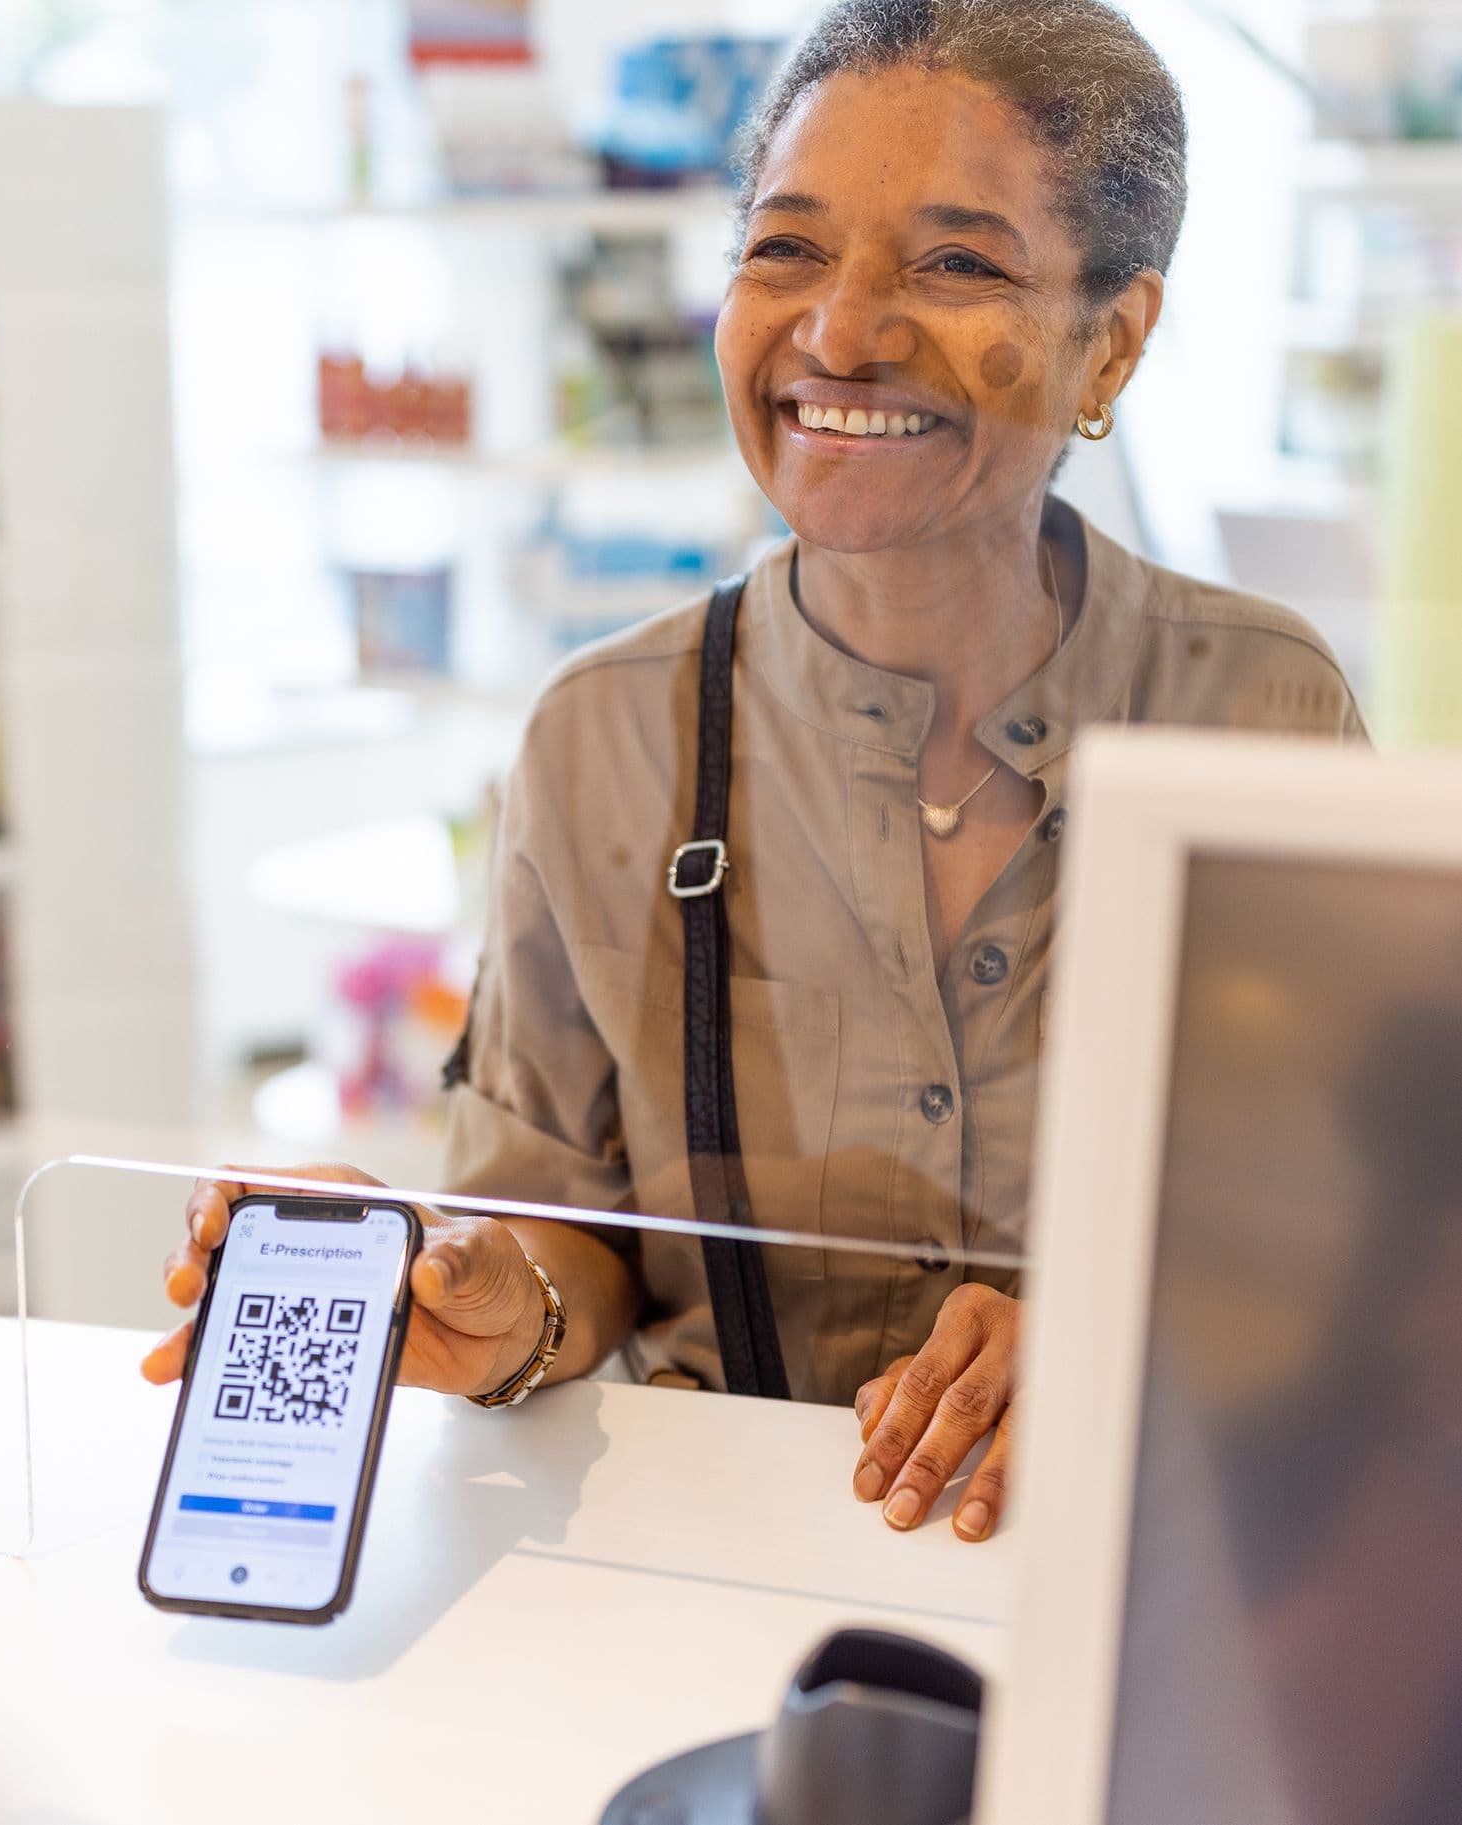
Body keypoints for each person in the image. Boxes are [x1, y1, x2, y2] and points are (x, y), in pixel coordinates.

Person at [143, 0, 1364, 1542]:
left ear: (1109, 340)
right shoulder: (603, 736)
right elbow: (567, 1235)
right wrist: (486, 1295)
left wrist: (1133, 1325)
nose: (839, 333)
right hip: (718, 1583)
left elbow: (1354, 1227)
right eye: (784, 247)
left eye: (955, 263)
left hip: (1150, 1570)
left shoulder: (1259, 710)